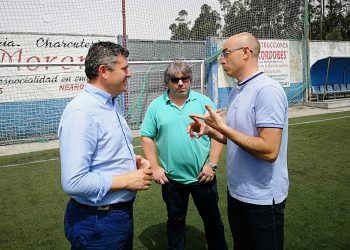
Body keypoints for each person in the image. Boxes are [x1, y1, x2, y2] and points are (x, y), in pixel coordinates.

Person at [188, 32, 289, 250]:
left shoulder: (267, 90)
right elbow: (235, 138)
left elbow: (270, 151)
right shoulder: (238, 90)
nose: (221, 59)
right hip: (238, 194)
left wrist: (222, 127)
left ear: (246, 53)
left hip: (262, 201)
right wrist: (210, 131)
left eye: (225, 53)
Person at [58, 41, 153, 250]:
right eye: (124, 68)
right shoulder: (81, 112)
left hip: (116, 216)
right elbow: (73, 182)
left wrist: (132, 161)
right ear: (104, 72)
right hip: (97, 222)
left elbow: (107, 149)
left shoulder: (110, 102)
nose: (130, 74)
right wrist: (127, 179)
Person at [140, 61, 227, 250]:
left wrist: (211, 164)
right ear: (167, 82)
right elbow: (146, 137)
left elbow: (219, 135)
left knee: (212, 221)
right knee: (176, 221)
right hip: (172, 179)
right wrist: (155, 167)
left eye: (184, 78)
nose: (180, 83)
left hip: (203, 177)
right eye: (175, 79)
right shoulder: (156, 106)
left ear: (190, 80)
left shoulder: (204, 102)